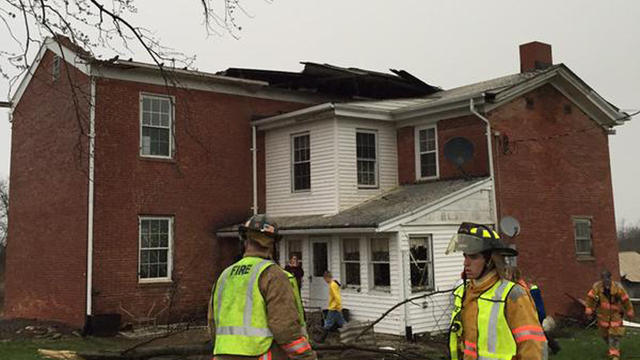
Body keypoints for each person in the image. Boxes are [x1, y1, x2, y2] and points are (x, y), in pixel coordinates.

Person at [207, 214, 316, 360]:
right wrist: (306, 356)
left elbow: (212, 325)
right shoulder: (273, 275)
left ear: (244, 240)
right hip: (261, 355)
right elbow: (285, 328)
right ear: (272, 244)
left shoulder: (224, 276)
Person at [446, 222, 547, 360]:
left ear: (490, 261)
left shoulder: (512, 295)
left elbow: (531, 347)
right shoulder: (465, 293)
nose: (466, 263)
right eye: (465, 256)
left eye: (474, 257)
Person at [584, 269, 635, 360]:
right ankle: (613, 348)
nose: (605, 280)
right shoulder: (597, 288)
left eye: (607, 278)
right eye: (603, 278)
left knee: (614, 334)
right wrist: (589, 309)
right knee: (605, 335)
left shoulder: (618, 289)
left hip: (615, 315)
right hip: (602, 316)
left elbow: (625, 300)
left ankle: (614, 355)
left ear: (610, 278)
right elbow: (590, 299)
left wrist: (629, 311)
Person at [317, 271, 346, 343]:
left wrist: (338, 306)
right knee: (342, 323)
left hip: (334, 308)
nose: (325, 281)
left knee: (328, 324)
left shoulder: (332, 285)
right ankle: (350, 335)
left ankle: (321, 340)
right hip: (336, 307)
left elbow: (337, 296)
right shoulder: (334, 284)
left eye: (325, 279)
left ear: (327, 278)